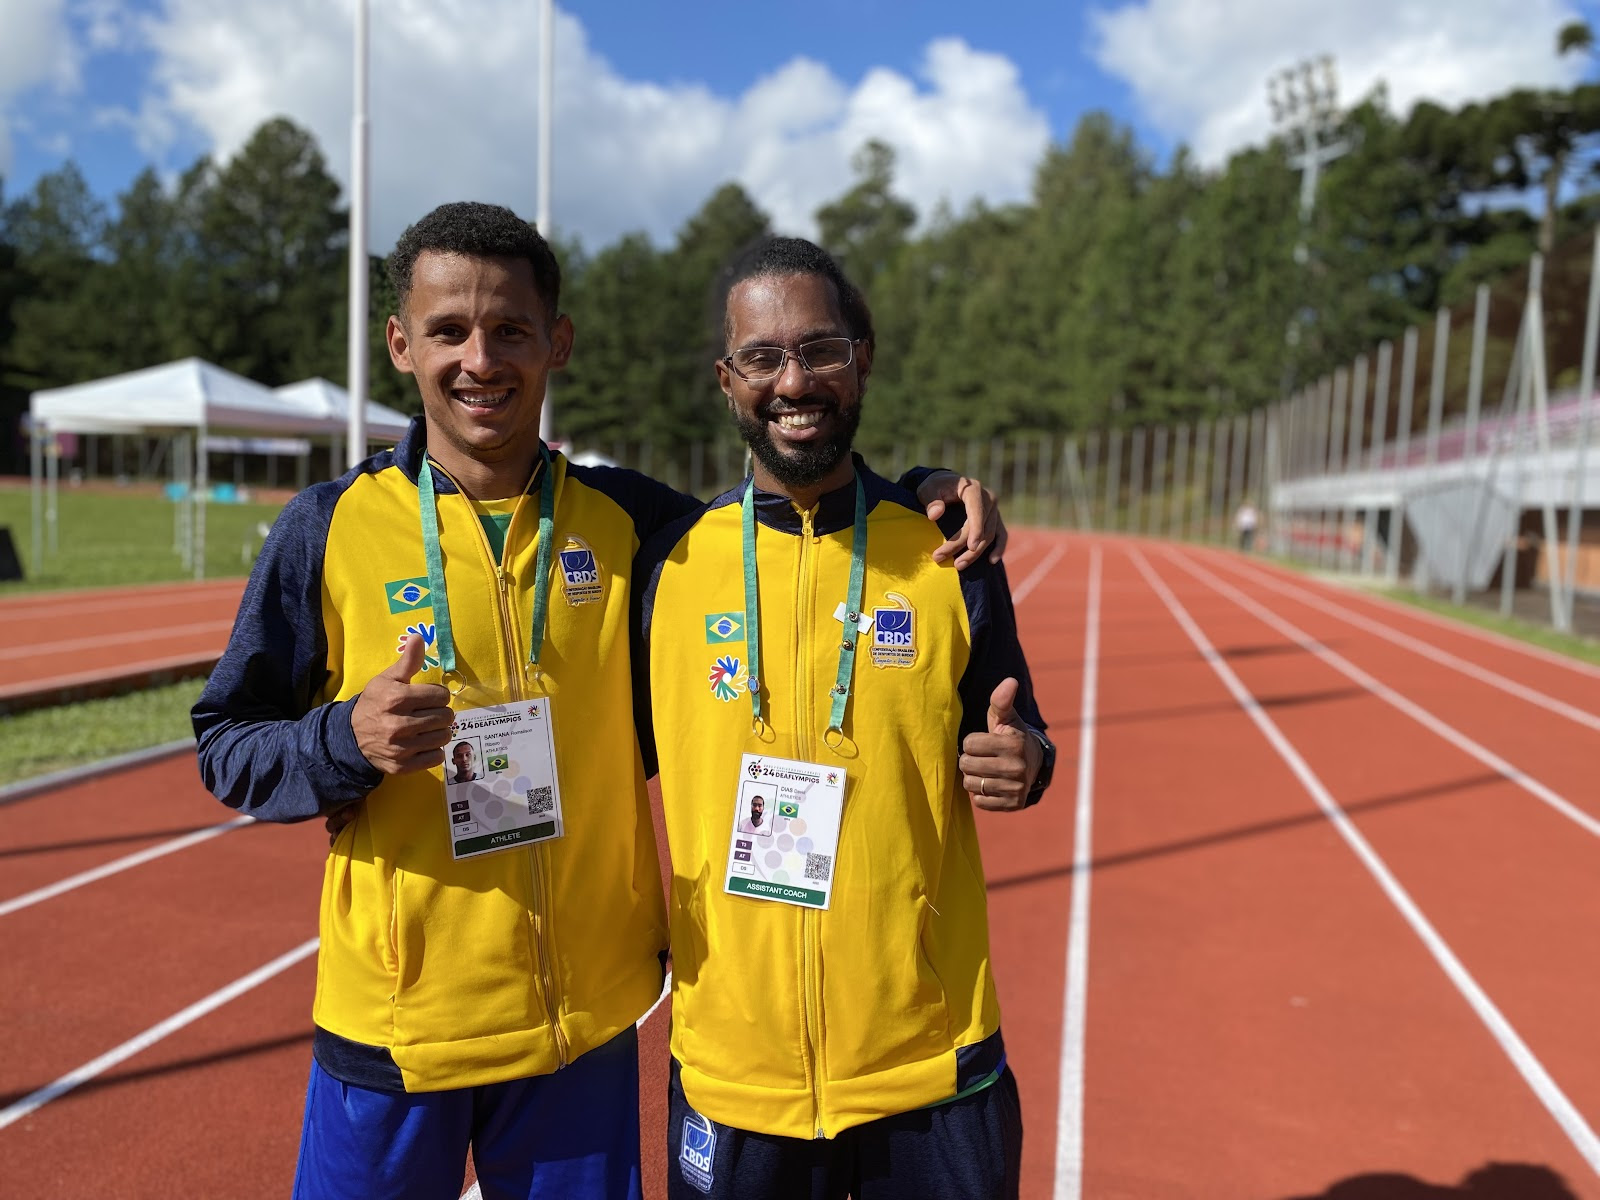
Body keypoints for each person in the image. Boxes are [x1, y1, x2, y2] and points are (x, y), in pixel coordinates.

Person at [192, 202, 1006, 1200]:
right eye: (447, 331)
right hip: (399, 1025)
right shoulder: (328, 529)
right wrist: (338, 743)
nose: (480, 360)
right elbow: (226, 743)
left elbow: (799, 506)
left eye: (511, 331)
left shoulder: (634, 525)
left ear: (556, 344)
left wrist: (924, 488)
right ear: (401, 345)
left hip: (581, 1029)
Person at [635, 237, 1055, 1200]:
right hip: (736, 1070)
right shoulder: (667, 566)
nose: (795, 381)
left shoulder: (949, 553)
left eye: (821, 349)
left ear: (862, 357)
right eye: (762, 358)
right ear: (726, 379)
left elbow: (1018, 729)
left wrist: (1026, 760)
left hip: (929, 1061)